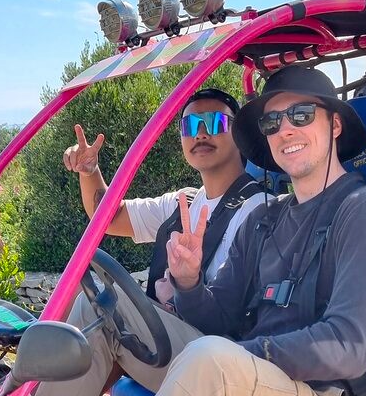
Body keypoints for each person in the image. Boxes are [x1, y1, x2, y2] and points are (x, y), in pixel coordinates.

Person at [17, 66, 366, 396]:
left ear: (335, 124)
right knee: (104, 305)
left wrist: (250, 355)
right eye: (272, 122)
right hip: (246, 379)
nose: (285, 129)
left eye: (301, 115)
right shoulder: (266, 218)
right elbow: (216, 318)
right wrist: (189, 282)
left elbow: (349, 346)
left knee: (213, 360)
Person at [62, 87, 264, 309]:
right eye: (190, 126)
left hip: (211, 337)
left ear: (239, 133)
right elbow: (110, 217)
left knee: (91, 306)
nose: (200, 133)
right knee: (75, 290)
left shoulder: (258, 209)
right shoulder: (182, 204)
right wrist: (90, 172)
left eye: (216, 122)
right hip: (170, 330)